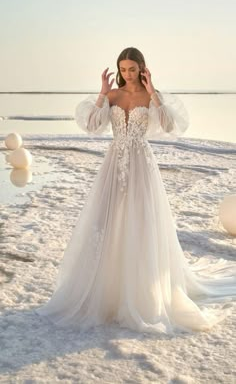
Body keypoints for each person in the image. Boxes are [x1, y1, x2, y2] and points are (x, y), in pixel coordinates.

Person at [37, 47, 236, 335]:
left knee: (141, 222)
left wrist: (153, 91)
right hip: (114, 162)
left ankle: (142, 289)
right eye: (123, 69)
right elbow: (92, 126)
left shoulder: (151, 97)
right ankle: (107, 288)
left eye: (132, 68)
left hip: (142, 165)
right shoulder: (114, 96)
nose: (127, 74)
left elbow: (169, 126)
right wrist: (103, 92)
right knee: (108, 220)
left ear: (142, 68)